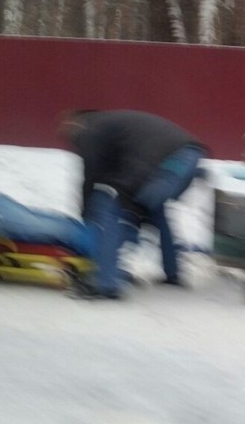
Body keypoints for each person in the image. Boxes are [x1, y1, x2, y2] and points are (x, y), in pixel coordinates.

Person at [58, 109, 205, 299]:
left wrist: (86, 214)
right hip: (190, 159)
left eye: (67, 131)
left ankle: (105, 283)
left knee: (107, 205)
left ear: (76, 123)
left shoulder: (91, 130)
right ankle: (173, 273)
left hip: (166, 164)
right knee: (154, 211)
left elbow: (93, 175)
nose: (70, 140)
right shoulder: (113, 126)